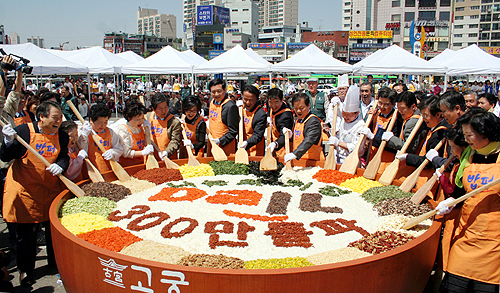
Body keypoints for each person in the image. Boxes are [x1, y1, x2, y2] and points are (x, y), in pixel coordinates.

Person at [1, 101, 69, 286]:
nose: (59, 122)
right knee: (27, 236)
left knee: (53, 233)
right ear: (41, 117)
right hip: (26, 191)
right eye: (55, 118)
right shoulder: (23, 131)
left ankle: (55, 265)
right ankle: (26, 271)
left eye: (60, 118)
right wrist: (8, 141)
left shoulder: (61, 136)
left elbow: (64, 157)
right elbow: (7, 156)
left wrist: (60, 166)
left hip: (50, 190)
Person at [438, 108, 500, 293]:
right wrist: (451, 202)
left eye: (469, 135)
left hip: (493, 242)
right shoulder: (471, 155)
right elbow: (460, 191)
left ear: (485, 133)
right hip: (465, 235)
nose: (465, 140)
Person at [399, 96, 450, 167]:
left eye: (426, 115)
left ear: (438, 115)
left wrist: (407, 157)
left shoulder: (440, 133)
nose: (423, 118)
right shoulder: (429, 127)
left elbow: (428, 162)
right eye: (422, 115)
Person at [79, 104, 123, 173]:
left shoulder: (110, 132)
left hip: (109, 169)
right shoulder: (86, 133)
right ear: (91, 120)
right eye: (100, 122)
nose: (103, 125)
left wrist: (113, 152)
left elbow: (119, 149)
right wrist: (83, 136)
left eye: (105, 122)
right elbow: (82, 150)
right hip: (92, 171)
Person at [329, 85, 365, 165]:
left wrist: (338, 143)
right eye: (344, 113)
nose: (345, 117)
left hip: (351, 160)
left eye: (349, 115)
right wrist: (335, 102)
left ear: (356, 113)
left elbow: (356, 147)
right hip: (338, 158)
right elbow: (336, 112)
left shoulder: (361, 125)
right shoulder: (344, 117)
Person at [283, 93, 325, 163]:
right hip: (299, 161)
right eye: (296, 108)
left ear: (308, 105)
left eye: (301, 108)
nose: (298, 111)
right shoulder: (298, 120)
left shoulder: (313, 121)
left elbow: (309, 140)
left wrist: (295, 153)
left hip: (313, 162)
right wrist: (290, 135)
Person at [115, 101, 153, 167]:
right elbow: (126, 153)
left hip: (141, 164)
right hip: (128, 166)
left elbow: (146, 143)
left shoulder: (140, 127)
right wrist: (142, 153)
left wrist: (148, 130)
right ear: (129, 118)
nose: (141, 121)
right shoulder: (123, 130)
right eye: (138, 119)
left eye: (142, 118)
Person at [207, 78, 239, 156]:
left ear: (224, 90)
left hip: (225, 146)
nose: (216, 94)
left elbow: (233, 130)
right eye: (213, 92)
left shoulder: (230, 106)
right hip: (212, 143)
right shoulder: (212, 102)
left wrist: (220, 141)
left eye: (219, 91)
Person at [148, 93, 182, 160]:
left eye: (166, 107)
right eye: (160, 108)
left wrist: (166, 152)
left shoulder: (174, 122)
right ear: (153, 109)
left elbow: (175, 141)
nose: (163, 111)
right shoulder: (147, 118)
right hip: (151, 157)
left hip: (168, 157)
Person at [238, 85, 267, 156]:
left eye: (251, 100)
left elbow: (258, 135)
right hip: (240, 149)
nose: (247, 102)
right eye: (245, 99)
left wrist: (247, 143)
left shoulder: (260, 114)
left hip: (255, 151)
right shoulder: (240, 109)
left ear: (256, 99)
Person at [266, 88, 294, 157]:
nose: (273, 105)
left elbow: (284, 135)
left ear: (282, 100)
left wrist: (276, 144)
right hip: (273, 147)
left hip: (284, 150)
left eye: (276, 102)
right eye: (270, 102)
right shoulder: (271, 108)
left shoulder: (286, 115)